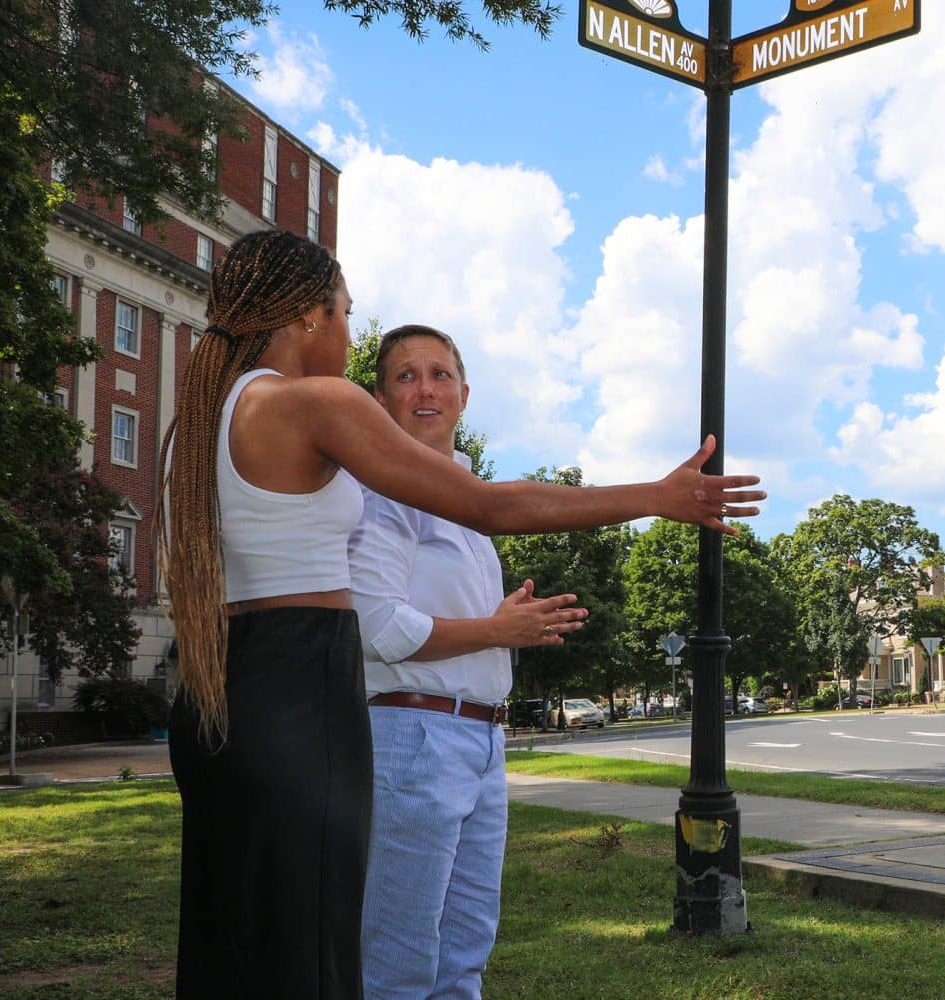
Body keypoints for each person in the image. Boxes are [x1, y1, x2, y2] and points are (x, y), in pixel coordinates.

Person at [158, 230, 762, 999]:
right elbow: (482, 504)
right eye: (345, 314)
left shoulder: (201, 418)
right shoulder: (313, 402)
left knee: (238, 952)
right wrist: (655, 497)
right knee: (320, 959)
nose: (348, 335)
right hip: (301, 697)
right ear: (310, 316)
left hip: (221, 694)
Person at [347, 324, 574, 998]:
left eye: (440, 374)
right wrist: (495, 627)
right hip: (414, 737)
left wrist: (503, 622)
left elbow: (441, 619)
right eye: (407, 376)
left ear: (465, 395)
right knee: (400, 960)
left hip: (480, 739)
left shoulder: (469, 503)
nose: (426, 389)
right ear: (380, 400)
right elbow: (378, 627)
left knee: (465, 954)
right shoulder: (381, 491)